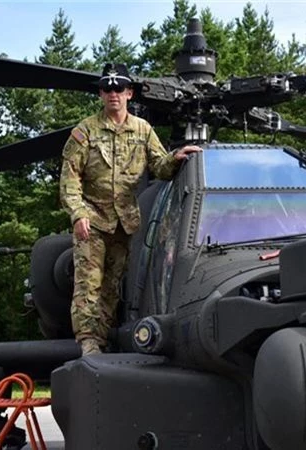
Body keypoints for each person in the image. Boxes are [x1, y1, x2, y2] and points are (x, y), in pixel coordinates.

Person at [59, 63, 201, 356]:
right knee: (89, 286)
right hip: (93, 220)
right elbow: (69, 179)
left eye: (119, 88)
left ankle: (104, 338)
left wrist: (177, 158)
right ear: (101, 94)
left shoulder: (142, 130)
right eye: (108, 89)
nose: (113, 94)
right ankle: (88, 342)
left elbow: (159, 167)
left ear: (129, 93)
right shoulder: (85, 132)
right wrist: (78, 213)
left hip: (125, 223)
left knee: (112, 288)